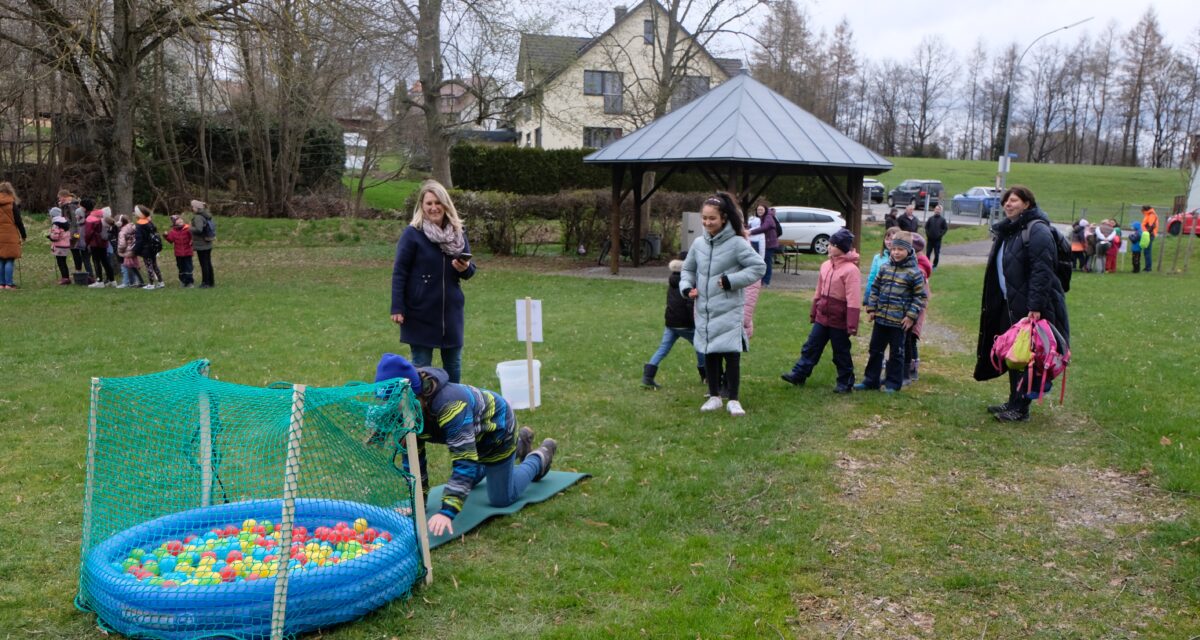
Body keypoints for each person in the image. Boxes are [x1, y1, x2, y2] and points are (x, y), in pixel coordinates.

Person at [374, 353, 557, 537]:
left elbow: (465, 460)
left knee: (501, 498)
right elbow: (414, 460)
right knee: (471, 480)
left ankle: (539, 458)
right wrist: (417, 503)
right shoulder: (405, 412)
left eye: (393, 403)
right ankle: (520, 444)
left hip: (497, 432)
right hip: (472, 437)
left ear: (413, 395)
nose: (391, 408)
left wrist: (447, 511)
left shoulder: (451, 406)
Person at [973, 185, 1070, 423]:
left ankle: (1021, 408)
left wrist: (1035, 307)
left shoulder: (1036, 231)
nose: (1008, 204)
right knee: (1015, 353)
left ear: (1027, 204)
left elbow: (1042, 270)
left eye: (1014, 200)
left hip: (1031, 307)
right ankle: (1013, 401)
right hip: (1011, 303)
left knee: (1028, 356)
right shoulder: (1011, 231)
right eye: (1006, 200)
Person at [680, 192, 766, 416]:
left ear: (724, 218)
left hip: (729, 308)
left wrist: (731, 281)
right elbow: (688, 269)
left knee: (731, 353)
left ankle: (734, 399)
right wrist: (687, 287)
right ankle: (715, 396)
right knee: (710, 352)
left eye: (712, 218)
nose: (707, 223)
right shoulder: (698, 243)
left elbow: (759, 268)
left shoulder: (738, 243)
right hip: (705, 309)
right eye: (704, 218)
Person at [391, 180, 476, 383]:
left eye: (438, 202)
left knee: (453, 365)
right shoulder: (412, 234)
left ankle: (455, 408)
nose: (433, 208)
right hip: (420, 311)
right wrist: (397, 307)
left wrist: (466, 269)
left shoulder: (458, 233)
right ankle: (424, 412)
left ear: (446, 205)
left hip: (450, 312)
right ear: (422, 206)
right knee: (422, 367)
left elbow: (470, 270)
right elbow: (399, 272)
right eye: (429, 203)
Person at [781, 228, 860, 392]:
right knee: (811, 346)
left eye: (833, 245)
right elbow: (819, 289)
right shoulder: (825, 265)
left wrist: (851, 323)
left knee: (841, 352)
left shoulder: (851, 270)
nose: (829, 247)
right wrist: (814, 310)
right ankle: (799, 374)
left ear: (842, 248)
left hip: (839, 318)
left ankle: (845, 383)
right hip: (822, 315)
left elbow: (853, 298)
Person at [856, 230, 926, 393]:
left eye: (900, 250)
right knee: (875, 349)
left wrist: (910, 316)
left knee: (897, 353)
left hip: (899, 322)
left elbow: (919, 297)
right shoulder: (885, 267)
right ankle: (870, 380)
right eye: (894, 249)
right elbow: (875, 288)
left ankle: (893, 383)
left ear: (908, 250)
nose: (896, 252)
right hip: (881, 319)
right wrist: (872, 308)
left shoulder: (914, 273)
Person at [641, 252, 705, 389]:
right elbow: (689, 304)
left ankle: (648, 376)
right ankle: (705, 375)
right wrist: (694, 323)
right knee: (701, 347)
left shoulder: (673, 279)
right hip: (685, 323)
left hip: (671, 322)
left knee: (663, 349)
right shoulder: (690, 281)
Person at [904, 234, 934, 385]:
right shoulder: (918, 262)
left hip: (915, 309)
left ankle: (912, 368)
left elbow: (920, 294)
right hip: (910, 307)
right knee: (907, 339)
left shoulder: (919, 267)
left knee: (911, 338)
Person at [59, 190, 91, 280]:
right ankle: (79, 270)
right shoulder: (65, 205)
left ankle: (79, 270)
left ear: (64, 196)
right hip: (72, 232)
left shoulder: (72, 205)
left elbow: (75, 221)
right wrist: (61, 206)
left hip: (75, 233)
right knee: (74, 250)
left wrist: (74, 234)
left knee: (75, 250)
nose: (59, 199)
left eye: (60, 197)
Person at [864, 226, 902, 304]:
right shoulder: (878, 258)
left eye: (891, 239)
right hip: (879, 296)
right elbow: (872, 277)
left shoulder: (902, 258)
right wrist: (867, 296)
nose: (888, 242)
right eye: (887, 239)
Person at [82, 200, 114, 288]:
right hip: (104, 243)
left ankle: (99, 281)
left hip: (94, 243)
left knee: (96, 261)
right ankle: (112, 280)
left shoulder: (90, 219)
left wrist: (86, 243)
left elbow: (88, 233)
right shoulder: (103, 218)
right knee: (105, 261)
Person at [748, 205, 781, 286]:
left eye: (761, 209)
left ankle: (766, 281)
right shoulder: (757, 218)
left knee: (767, 262)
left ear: (765, 210)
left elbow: (764, 227)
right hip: (762, 243)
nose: (759, 211)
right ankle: (761, 280)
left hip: (769, 244)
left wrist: (750, 232)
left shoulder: (768, 217)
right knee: (762, 261)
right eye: (758, 209)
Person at [0, 182, 25, 290]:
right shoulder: (12, 203)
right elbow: (18, 221)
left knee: (1, 259)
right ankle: (9, 284)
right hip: (10, 233)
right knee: (9, 259)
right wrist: (23, 234)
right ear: (10, 191)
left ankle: (1, 284)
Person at [133, 205, 164, 289]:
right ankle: (161, 282)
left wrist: (135, 250)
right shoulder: (149, 222)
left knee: (149, 266)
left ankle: (151, 284)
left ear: (139, 213)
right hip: (153, 248)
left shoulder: (139, 224)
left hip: (146, 249)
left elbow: (139, 239)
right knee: (154, 265)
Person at [190, 199, 216, 288]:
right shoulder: (206, 215)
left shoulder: (198, 217)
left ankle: (205, 283)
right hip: (207, 242)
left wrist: (189, 228)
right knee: (208, 263)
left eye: (193, 207)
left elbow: (199, 229)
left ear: (196, 208)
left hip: (201, 244)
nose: (192, 208)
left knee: (204, 264)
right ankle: (211, 282)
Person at [165, 214, 195, 287]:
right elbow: (171, 240)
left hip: (188, 252)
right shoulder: (173, 231)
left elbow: (193, 237)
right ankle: (183, 281)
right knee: (181, 268)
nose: (180, 220)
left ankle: (190, 282)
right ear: (174, 223)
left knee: (189, 267)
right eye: (178, 220)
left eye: (181, 219)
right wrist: (166, 236)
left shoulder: (188, 228)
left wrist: (192, 241)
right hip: (178, 254)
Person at [115, 214, 143, 288]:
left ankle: (126, 282)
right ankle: (136, 281)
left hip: (127, 251)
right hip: (134, 249)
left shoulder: (122, 232)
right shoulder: (133, 227)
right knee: (134, 265)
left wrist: (120, 251)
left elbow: (122, 244)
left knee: (126, 266)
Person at [48, 209, 72, 284]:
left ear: (52, 216)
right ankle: (66, 277)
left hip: (59, 246)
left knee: (60, 263)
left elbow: (55, 236)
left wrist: (50, 237)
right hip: (66, 245)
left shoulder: (56, 224)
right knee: (64, 262)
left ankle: (65, 278)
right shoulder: (65, 222)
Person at [924, 204, 948, 269]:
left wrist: (940, 235)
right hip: (930, 240)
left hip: (937, 240)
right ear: (934, 210)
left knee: (936, 253)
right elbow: (926, 227)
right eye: (936, 209)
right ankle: (927, 264)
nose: (937, 211)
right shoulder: (930, 218)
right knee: (928, 253)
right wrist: (927, 234)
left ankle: (935, 265)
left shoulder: (942, 220)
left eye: (939, 210)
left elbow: (945, 229)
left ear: (941, 211)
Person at [1141, 205, 1158, 272]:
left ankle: (1148, 268)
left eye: (1142, 211)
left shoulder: (1151, 215)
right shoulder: (1148, 214)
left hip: (1149, 234)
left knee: (1147, 251)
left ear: (1145, 210)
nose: (1142, 212)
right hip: (1147, 234)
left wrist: (1147, 233)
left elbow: (1151, 225)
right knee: (1146, 251)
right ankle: (1147, 267)